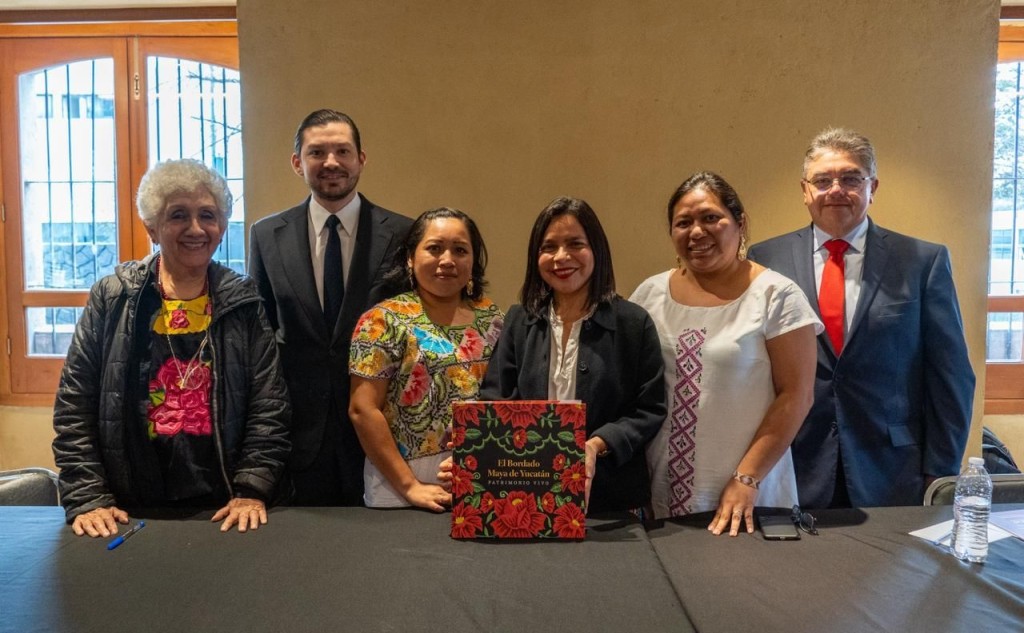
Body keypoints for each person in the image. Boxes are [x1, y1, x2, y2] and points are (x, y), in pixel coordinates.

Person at [52, 159, 291, 537]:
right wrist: (87, 496)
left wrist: (252, 489)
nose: (196, 228)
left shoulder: (243, 300)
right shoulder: (113, 296)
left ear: (222, 226)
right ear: (151, 226)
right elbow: (75, 404)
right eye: (178, 215)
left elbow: (269, 406)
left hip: (225, 509)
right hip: (127, 511)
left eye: (207, 215)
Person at [747, 127, 975, 508]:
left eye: (851, 178)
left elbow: (951, 375)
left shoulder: (922, 261)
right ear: (805, 190)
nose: (836, 189)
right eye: (823, 180)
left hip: (894, 468)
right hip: (793, 463)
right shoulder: (765, 259)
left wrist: (942, 469)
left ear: (873, 187)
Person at [630, 172, 820, 535]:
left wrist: (746, 478)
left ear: (740, 223)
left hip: (747, 494)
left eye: (710, 218)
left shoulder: (776, 296)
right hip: (659, 493)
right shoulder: (649, 294)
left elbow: (797, 395)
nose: (697, 232)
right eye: (683, 223)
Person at [249, 109, 413, 506]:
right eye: (317, 152)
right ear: (297, 163)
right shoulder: (266, 235)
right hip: (298, 435)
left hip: (383, 430)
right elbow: (262, 335)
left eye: (342, 150)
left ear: (361, 158)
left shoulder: (404, 233)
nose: (331, 162)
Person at [467, 196, 666, 513]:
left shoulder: (633, 323)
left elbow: (648, 410)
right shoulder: (519, 320)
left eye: (575, 244)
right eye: (549, 247)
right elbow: (496, 398)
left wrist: (594, 446)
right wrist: (472, 445)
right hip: (527, 495)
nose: (561, 257)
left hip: (610, 500)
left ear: (596, 250)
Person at [348, 208, 504, 510]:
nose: (447, 260)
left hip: (480, 472)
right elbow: (362, 409)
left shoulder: (493, 319)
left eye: (460, 250)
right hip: (399, 481)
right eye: (434, 248)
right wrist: (411, 486)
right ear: (410, 257)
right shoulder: (381, 321)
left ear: (473, 261)